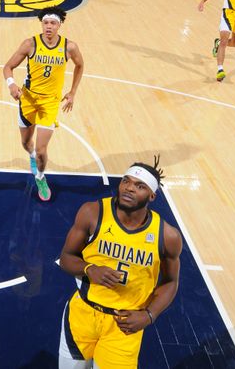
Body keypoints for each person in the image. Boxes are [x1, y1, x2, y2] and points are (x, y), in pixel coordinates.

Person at [58, 157, 182, 369]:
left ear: (152, 195)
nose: (129, 188)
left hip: (124, 327)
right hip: (82, 316)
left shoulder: (167, 236)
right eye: (126, 181)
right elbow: (66, 259)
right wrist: (89, 269)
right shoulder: (93, 212)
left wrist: (149, 316)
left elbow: (171, 282)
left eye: (139, 186)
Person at [2, 7, 84, 201]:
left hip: (50, 103)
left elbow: (80, 65)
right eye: (46, 23)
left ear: (59, 25)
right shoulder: (30, 44)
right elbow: (8, 67)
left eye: (53, 23)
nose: (48, 26)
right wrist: (12, 85)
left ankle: (40, 177)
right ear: (42, 24)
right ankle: (30, 155)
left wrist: (72, 92)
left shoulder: (69, 47)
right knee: (25, 143)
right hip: (28, 100)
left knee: (42, 150)